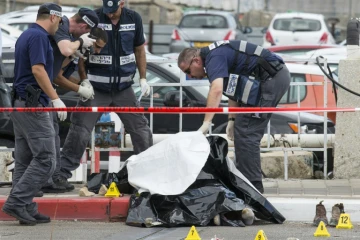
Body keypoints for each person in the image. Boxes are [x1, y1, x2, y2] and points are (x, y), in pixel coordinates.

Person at [177, 40, 291, 193]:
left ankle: (252, 188)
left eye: (188, 71)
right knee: (242, 128)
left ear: (196, 61)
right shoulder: (215, 55)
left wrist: (206, 123)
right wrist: (232, 119)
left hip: (271, 78)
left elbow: (216, 90)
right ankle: (246, 183)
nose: (190, 76)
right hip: (272, 77)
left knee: (246, 131)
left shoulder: (213, 58)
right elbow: (233, 89)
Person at [59, 0, 153, 181]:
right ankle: (61, 175)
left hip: (124, 88)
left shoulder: (134, 19)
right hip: (95, 89)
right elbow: (81, 54)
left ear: (122, 3)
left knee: (140, 129)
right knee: (80, 131)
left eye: (113, 11)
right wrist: (84, 81)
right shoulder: (94, 17)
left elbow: (139, 50)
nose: (109, 14)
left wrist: (142, 78)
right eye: (107, 11)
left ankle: (147, 171)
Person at [1, 3, 64, 225]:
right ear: (54, 17)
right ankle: (18, 202)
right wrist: (55, 98)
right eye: (60, 21)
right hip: (33, 106)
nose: (59, 26)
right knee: (47, 159)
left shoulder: (26, 34)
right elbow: (38, 70)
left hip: (21, 104)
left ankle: (25, 206)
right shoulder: (39, 37)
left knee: (25, 160)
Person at [40, 8, 99, 193]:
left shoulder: (68, 35)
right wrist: (79, 88)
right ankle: (44, 181)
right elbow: (56, 75)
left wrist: (83, 83)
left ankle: (51, 179)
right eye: (85, 33)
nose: (84, 37)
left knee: (53, 138)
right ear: (83, 26)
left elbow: (60, 69)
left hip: (46, 94)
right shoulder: (63, 27)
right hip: (40, 94)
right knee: (46, 141)